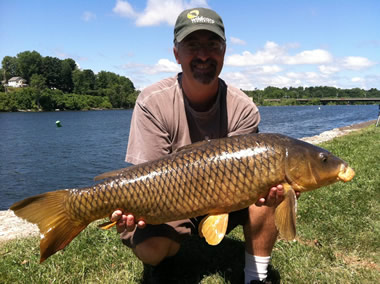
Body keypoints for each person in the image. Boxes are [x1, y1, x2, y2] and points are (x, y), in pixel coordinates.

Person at [111, 7, 292, 284]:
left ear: (224, 50)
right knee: (152, 250)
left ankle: (256, 277)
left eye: (213, 45)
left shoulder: (242, 107)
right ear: (176, 53)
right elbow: (147, 177)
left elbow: (247, 176)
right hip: (169, 200)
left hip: (228, 200)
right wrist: (129, 208)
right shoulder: (152, 102)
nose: (204, 55)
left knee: (270, 183)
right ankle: (168, 256)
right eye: (193, 45)